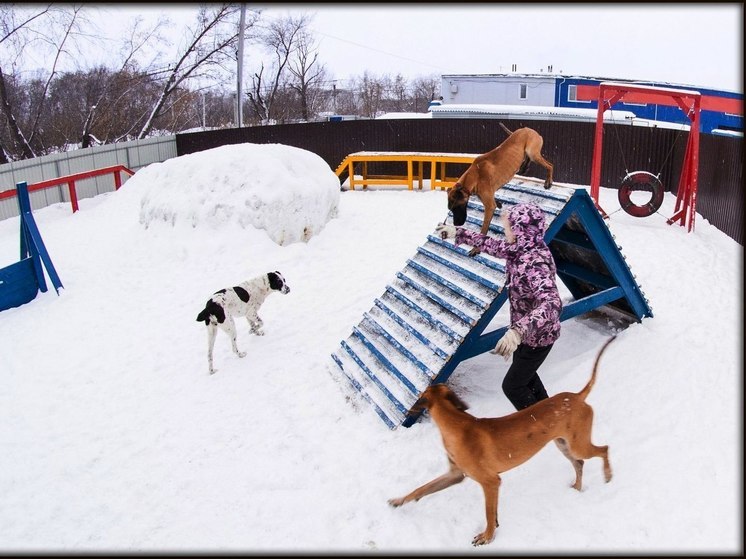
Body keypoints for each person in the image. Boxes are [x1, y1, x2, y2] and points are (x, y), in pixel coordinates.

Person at [435, 203, 562, 411]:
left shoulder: (534, 262)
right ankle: (550, 415)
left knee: (513, 386)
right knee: (527, 379)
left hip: (539, 336)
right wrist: (458, 232)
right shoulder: (519, 249)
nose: (505, 231)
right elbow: (491, 245)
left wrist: (518, 332)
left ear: (521, 230)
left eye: (508, 227)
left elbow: (552, 303)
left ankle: (539, 426)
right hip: (525, 333)